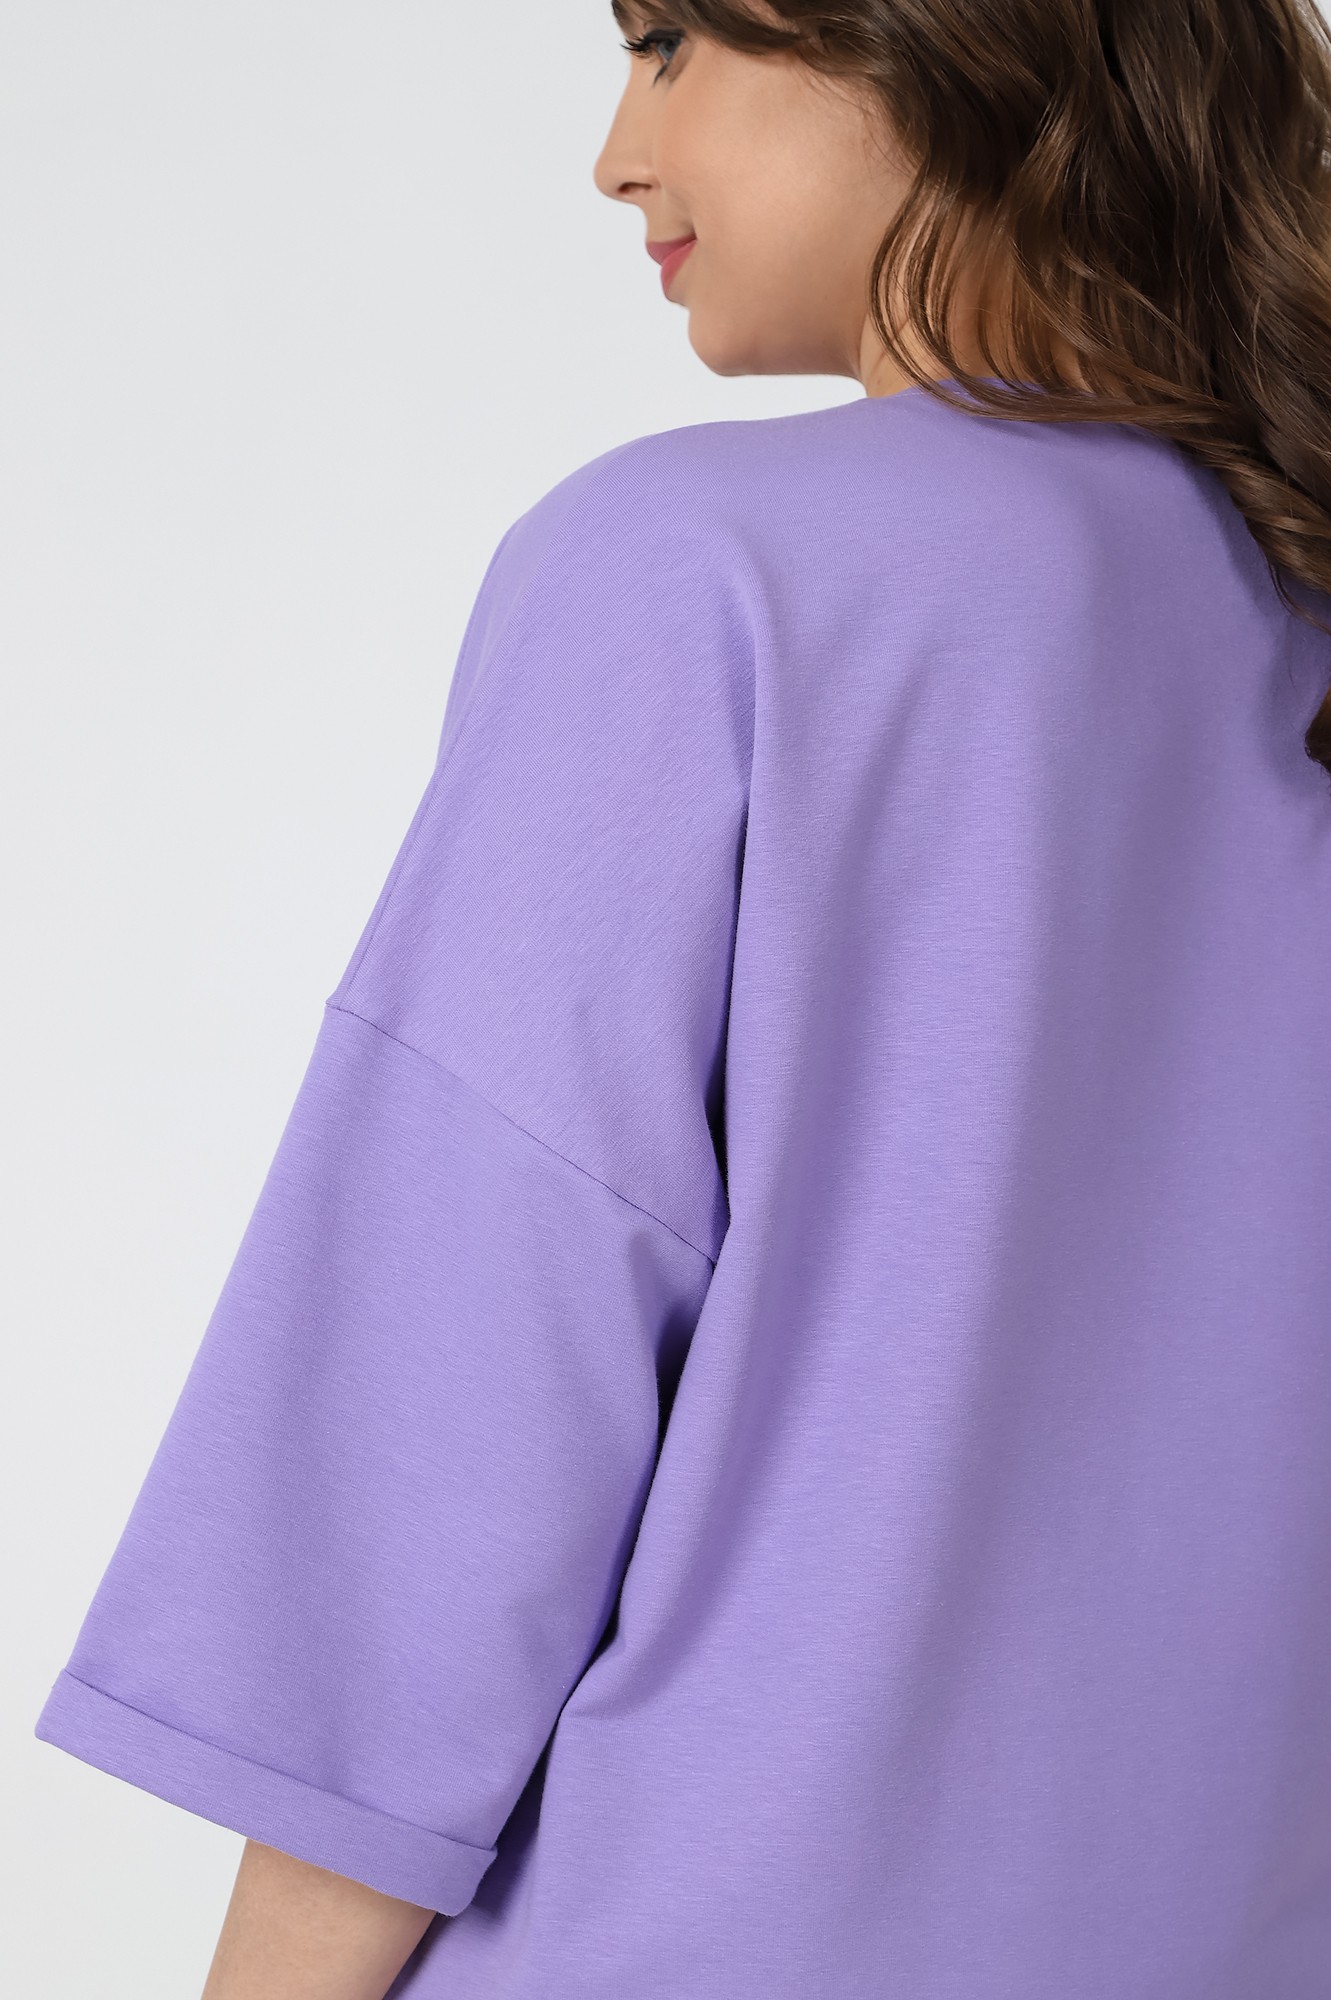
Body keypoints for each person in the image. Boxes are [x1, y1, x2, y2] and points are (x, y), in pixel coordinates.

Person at [32, 0, 1331, 1994]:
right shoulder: (1297, 620)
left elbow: (460, 1376)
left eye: (669, 45)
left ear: (947, 42)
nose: (616, 154)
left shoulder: (694, 571)